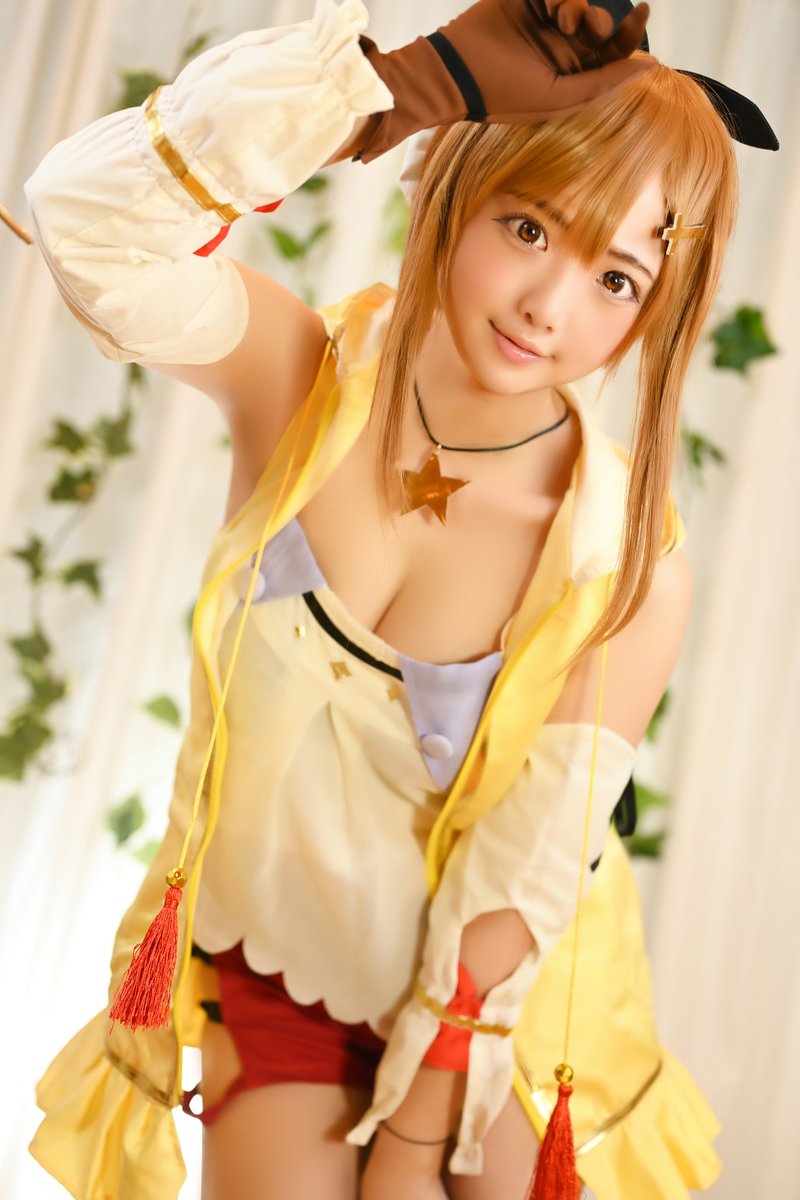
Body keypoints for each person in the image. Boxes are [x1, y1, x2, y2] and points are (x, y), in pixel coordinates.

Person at [23, 1, 769, 1197]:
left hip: (502, 1016)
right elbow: (84, 218)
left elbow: (526, 869)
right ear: (454, 184)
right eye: (527, 226)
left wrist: (416, 1147)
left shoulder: (622, 565)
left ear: (653, 313)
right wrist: (401, 86)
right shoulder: (295, 379)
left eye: (614, 277)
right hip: (285, 971)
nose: (547, 305)